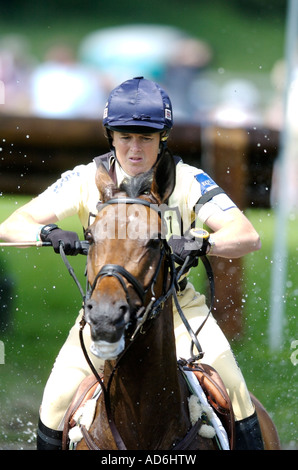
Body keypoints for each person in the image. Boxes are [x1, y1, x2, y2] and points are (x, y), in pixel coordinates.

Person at [0, 77, 263, 450]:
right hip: (106, 312)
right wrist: (49, 234)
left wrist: (204, 242)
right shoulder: (83, 180)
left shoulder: (187, 181)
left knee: (235, 393)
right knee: (55, 402)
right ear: (111, 136)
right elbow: (10, 226)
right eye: (125, 137)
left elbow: (247, 235)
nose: (135, 149)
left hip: (178, 312)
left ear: (163, 139)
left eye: (146, 138)